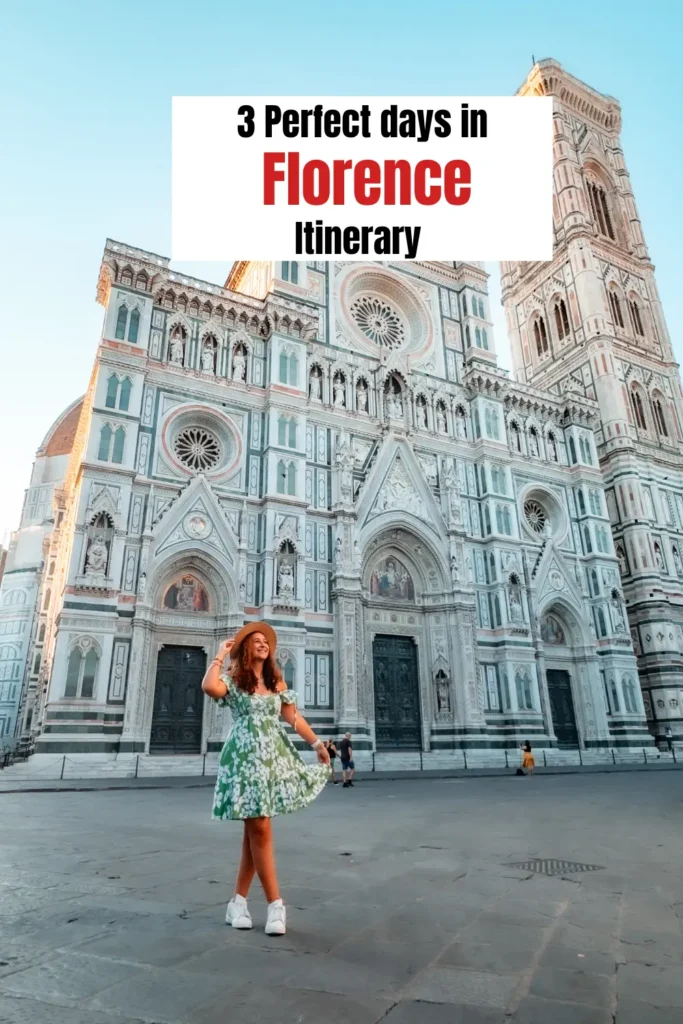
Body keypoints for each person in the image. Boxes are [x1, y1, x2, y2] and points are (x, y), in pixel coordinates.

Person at [201, 622, 330, 936]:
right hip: (244, 758)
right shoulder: (233, 679)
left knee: (254, 830)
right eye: (256, 641)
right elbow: (209, 687)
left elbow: (293, 718)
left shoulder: (276, 681)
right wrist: (220, 654)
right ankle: (276, 904)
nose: (262, 644)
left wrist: (317, 744)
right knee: (259, 826)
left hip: (272, 757)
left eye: (265, 642)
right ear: (247, 649)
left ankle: (238, 902)